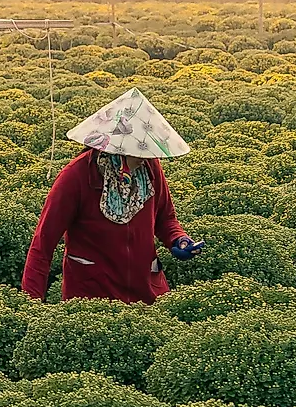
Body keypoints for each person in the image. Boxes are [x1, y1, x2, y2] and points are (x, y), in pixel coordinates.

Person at [20, 89, 204, 303]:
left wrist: (178, 239)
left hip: (147, 293)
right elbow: (43, 244)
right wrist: (31, 305)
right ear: (118, 149)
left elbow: (166, 218)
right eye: (139, 153)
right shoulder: (76, 176)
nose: (146, 159)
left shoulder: (150, 168)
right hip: (92, 297)